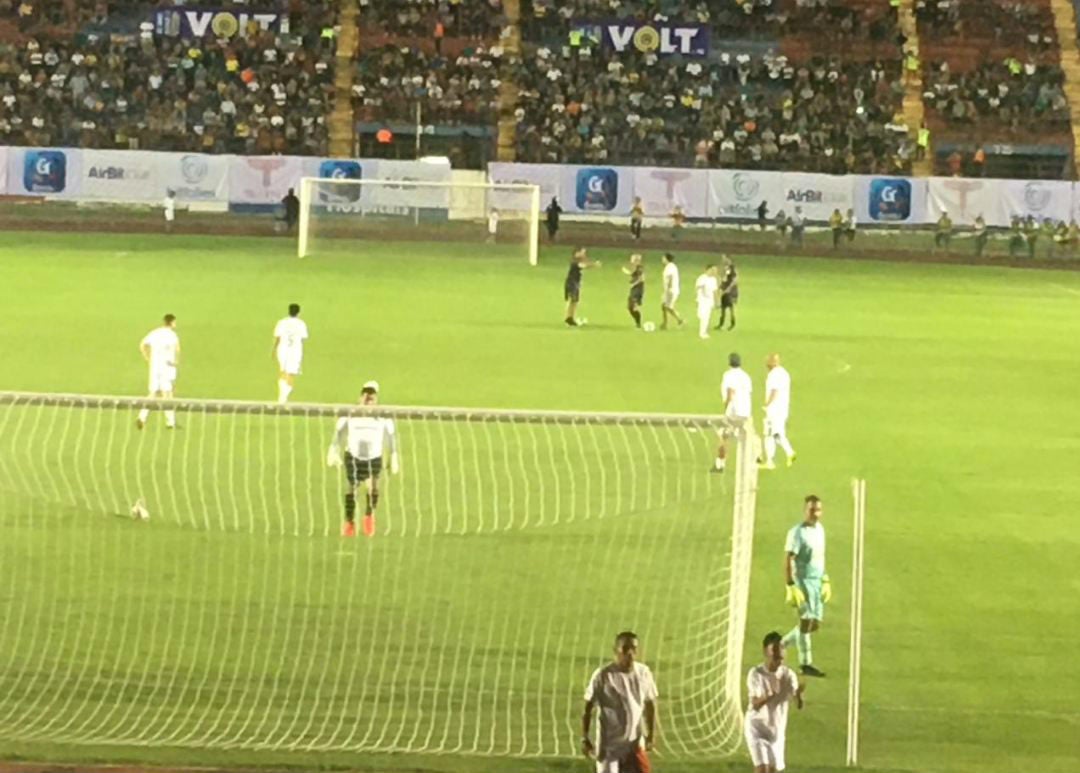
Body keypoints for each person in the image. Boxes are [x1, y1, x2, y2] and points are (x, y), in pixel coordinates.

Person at [326, 381, 400, 538]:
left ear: (376, 398)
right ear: (360, 396)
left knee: (372, 488)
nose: (368, 399)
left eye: (371, 395)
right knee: (352, 489)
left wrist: (393, 456)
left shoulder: (383, 417)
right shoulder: (350, 414)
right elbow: (338, 433)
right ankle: (349, 522)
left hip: (373, 457)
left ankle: (369, 516)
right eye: (366, 395)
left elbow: (391, 437)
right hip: (353, 456)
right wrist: (333, 450)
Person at [582, 631, 657, 773]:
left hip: (634, 743)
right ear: (616, 650)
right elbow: (587, 707)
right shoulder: (603, 676)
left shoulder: (644, 673)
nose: (630, 653)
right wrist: (585, 738)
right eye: (625, 648)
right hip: (609, 746)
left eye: (633, 648)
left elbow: (650, 704)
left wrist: (651, 734)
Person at [781, 495, 830, 678]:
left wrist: (825, 579)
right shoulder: (797, 533)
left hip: (817, 580)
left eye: (818, 510)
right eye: (812, 510)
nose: (815, 514)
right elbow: (788, 558)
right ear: (805, 511)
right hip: (802, 581)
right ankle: (805, 663)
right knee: (805, 622)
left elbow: (820, 556)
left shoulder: (820, 530)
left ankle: (781, 645)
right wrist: (790, 585)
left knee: (814, 625)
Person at [744, 631, 805, 773]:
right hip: (757, 728)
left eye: (781, 653)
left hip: (776, 732)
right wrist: (770, 694)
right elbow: (755, 704)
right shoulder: (756, 674)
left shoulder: (788, 675)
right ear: (766, 652)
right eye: (775, 654)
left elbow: (798, 704)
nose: (779, 659)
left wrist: (799, 696)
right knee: (762, 769)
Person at [137, 314, 180, 430]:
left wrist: (148, 358)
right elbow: (177, 350)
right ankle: (170, 422)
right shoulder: (172, 335)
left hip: (155, 366)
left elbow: (142, 345)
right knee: (168, 393)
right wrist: (175, 363)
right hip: (167, 366)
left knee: (153, 393)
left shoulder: (155, 332)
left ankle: (142, 416)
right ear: (171, 323)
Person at [713, 352, 752, 473]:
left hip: (734, 410)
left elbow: (730, 392)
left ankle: (720, 464)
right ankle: (749, 463)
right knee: (745, 437)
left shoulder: (728, 375)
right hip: (745, 411)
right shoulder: (746, 376)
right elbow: (749, 393)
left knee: (724, 436)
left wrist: (726, 409)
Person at [760, 354, 796, 469]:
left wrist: (767, 404)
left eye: (768, 361)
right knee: (775, 434)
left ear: (773, 362)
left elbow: (774, 391)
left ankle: (772, 461)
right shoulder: (784, 373)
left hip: (774, 409)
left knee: (771, 434)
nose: (766, 364)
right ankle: (788, 453)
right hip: (783, 408)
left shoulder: (773, 375)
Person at [273, 303, 309, 403]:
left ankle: (281, 395)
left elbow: (277, 337)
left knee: (283, 372)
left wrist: (273, 350)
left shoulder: (282, 322)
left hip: (282, 349)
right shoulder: (301, 324)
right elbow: (303, 338)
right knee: (291, 374)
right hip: (295, 351)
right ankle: (283, 397)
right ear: (298, 312)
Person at [565, 247, 600, 327]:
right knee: (572, 300)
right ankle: (569, 318)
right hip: (572, 283)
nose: (584, 254)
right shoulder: (575, 261)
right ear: (576, 253)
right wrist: (594, 264)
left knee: (574, 301)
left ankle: (570, 317)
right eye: (582, 252)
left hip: (574, 282)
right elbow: (583, 266)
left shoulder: (577, 260)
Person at [659, 252, 683, 330]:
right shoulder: (670, 266)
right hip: (670, 290)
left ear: (666, 259)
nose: (662, 259)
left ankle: (679, 320)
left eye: (663, 258)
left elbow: (670, 278)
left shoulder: (670, 267)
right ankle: (665, 324)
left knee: (668, 307)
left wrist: (668, 290)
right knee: (664, 306)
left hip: (671, 290)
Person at [694, 264, 719, 339]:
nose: (713, 272)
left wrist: (716, 301)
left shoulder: (713, 280)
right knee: (701, 315)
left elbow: (715, 291)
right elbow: (697, 287)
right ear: (707, 270)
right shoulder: (702, 278)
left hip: (709, 301)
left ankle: (703, 333)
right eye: (711, 270)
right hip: (702, 300)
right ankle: (703, 332)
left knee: (706, 317)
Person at [622, 253, 645, 329]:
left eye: (632, 259)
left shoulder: (639, 268)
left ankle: (638, 323)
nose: (631, 261)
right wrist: (626, 271)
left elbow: (641, 279)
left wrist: (633, 284)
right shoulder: (636, 268)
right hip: (634, 289)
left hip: (637, 290)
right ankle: (637, 322)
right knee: (630, 307)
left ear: (636, 260)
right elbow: (633, 274)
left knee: (633, 306)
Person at [716, 256, 738, 331]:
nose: (723, 260)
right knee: (723, 308)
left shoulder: (733, 269)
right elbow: (724, 279)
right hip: (725, 291)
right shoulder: (726, 269)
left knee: (731, 308)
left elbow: (734, 280)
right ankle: (721, 324)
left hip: (730, 291)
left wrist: (728, 289)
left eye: (725, 259)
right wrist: (721, 286)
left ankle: (732, 324)